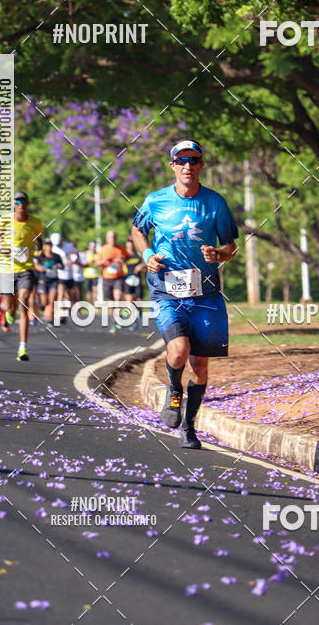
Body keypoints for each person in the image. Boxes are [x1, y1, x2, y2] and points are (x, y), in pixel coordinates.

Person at [131, 140, 238, 449]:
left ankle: (189, 428)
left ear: (202, 164)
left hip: (205, 290)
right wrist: (147, 254)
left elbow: (231, 246)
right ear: (173, 166)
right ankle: (174, 390)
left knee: (201, 366)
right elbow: (138, 230)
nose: (188, 166)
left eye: (194, 160)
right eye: (182, 160)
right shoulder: (155, 201)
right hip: (167, 285)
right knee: (178, 349)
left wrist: (219, 253)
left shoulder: (215, 203)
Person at [0, 191, 43, 360]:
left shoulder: (35, 223)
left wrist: (40, 249)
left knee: (23, 303)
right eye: (18, 201)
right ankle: (8, 312)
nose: (21, 204)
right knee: (11, 307)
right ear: (14, 204)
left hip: (26, 269)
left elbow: (40, 239)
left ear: (28, 204)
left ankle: (23, 348)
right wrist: (0, 249)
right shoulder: (4, 221)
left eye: (24, 201)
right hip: (6, 269)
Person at [34, 238, 63, 322]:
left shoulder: (56, 256)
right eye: (47, 245)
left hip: (53, 280)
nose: (48, 247)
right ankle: (42, 308)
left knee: (52, 300)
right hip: (43, 280)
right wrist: (41, 268)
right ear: (44, 246)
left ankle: (51, 318)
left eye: (50, 245)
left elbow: (62, 266)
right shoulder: (40, 256)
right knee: (44, 302)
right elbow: (36, 265)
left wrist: (58, 266)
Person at [97, 230, 128, 302]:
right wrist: (104, 260)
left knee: (117, 298)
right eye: (110, 237)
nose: (112, 239)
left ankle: (117, 313)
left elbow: (127, 258)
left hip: (119, 277)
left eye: (114, 237)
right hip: (107, 278)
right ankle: (112, 313)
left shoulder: (121, 249)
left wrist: (122, 260)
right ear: (107, 238)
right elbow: (97, 263)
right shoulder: (103, 249)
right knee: (111, 300)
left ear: (116, 238)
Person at [123, 238, 146, 306]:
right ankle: (130, 314)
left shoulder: (139, 254)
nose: (131, 245)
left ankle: (139, 313)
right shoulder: (124, 255)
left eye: (132, 242)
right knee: (129, 300)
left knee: (139, 301)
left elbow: (146, 263)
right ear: (127, 244)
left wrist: (141, 266)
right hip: (127, 279)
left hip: (138, 279)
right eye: (129, 242)